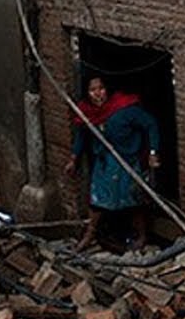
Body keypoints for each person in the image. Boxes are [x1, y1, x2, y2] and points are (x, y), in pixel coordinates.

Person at [65, 77, 161, 251]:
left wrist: (153, 152)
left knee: (134, 199)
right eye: (92, 90)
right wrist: (73, 159)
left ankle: (141, 236)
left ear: (107, 90)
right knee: (97, 200)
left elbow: (151, 124)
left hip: (127, 162)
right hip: (104, 164)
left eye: (101, 89)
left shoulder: (125, 109)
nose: (97, 94)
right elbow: (81, 136)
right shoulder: (87, 113)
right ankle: (89, 235)